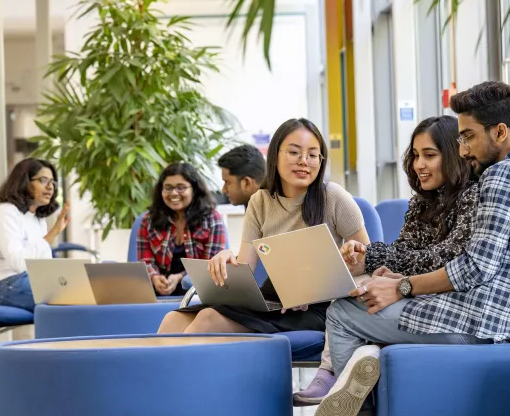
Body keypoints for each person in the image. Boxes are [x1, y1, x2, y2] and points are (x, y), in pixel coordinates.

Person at [296, 81, 510, 416]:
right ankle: (363, 368)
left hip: (478, 324)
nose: (464, 149)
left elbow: (475, 267)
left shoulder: (500, 178)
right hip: (501, 320)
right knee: (366, 303)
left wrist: (401, 287)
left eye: (469, 137)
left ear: (500, 132)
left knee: (342, 312)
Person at [290, 115, 480, 416]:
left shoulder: (472, 197)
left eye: (430, 155)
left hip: (452, 311)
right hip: (426, 300)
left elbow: (448, 258)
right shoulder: (424, 201)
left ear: (454, 156)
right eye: (416, 155)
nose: (419, 165)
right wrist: (377, 264)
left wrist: (392, 275)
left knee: (345, 313)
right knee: (361, 292)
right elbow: (406, 254)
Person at [157, 117, 370, 334]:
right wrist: (226, 259)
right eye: (294, 152)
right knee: (172, 319)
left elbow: (370, 262)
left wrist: (313, 288)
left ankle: (185, 368)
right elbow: (245, 267)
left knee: (208, 319)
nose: (304, 161)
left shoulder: (334, 197)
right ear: (275, 156)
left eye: (313, 155)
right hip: (272, 299)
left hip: (318, 306)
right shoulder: (260, 200)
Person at [0, 158, 70, 312]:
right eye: (43, 180)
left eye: (53, 183)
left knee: (77, 289)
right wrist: (53, 232)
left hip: (28, 281)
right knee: (69, 296)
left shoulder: (37, 220)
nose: (50, 187)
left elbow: (42, 264)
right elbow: (19, 264)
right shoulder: (4, 212)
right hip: (2, 286)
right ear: (24, 182)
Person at [138, 162, 227, 296]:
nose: (173, 193)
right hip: (158, 291)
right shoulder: (148, 220)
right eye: (168, 188)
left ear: (194, 190)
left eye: (181, 188)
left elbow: (210, 264)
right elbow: (145, 261)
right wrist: (155, 278)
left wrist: (181, 277)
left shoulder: (212, 219)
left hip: (198, 293)